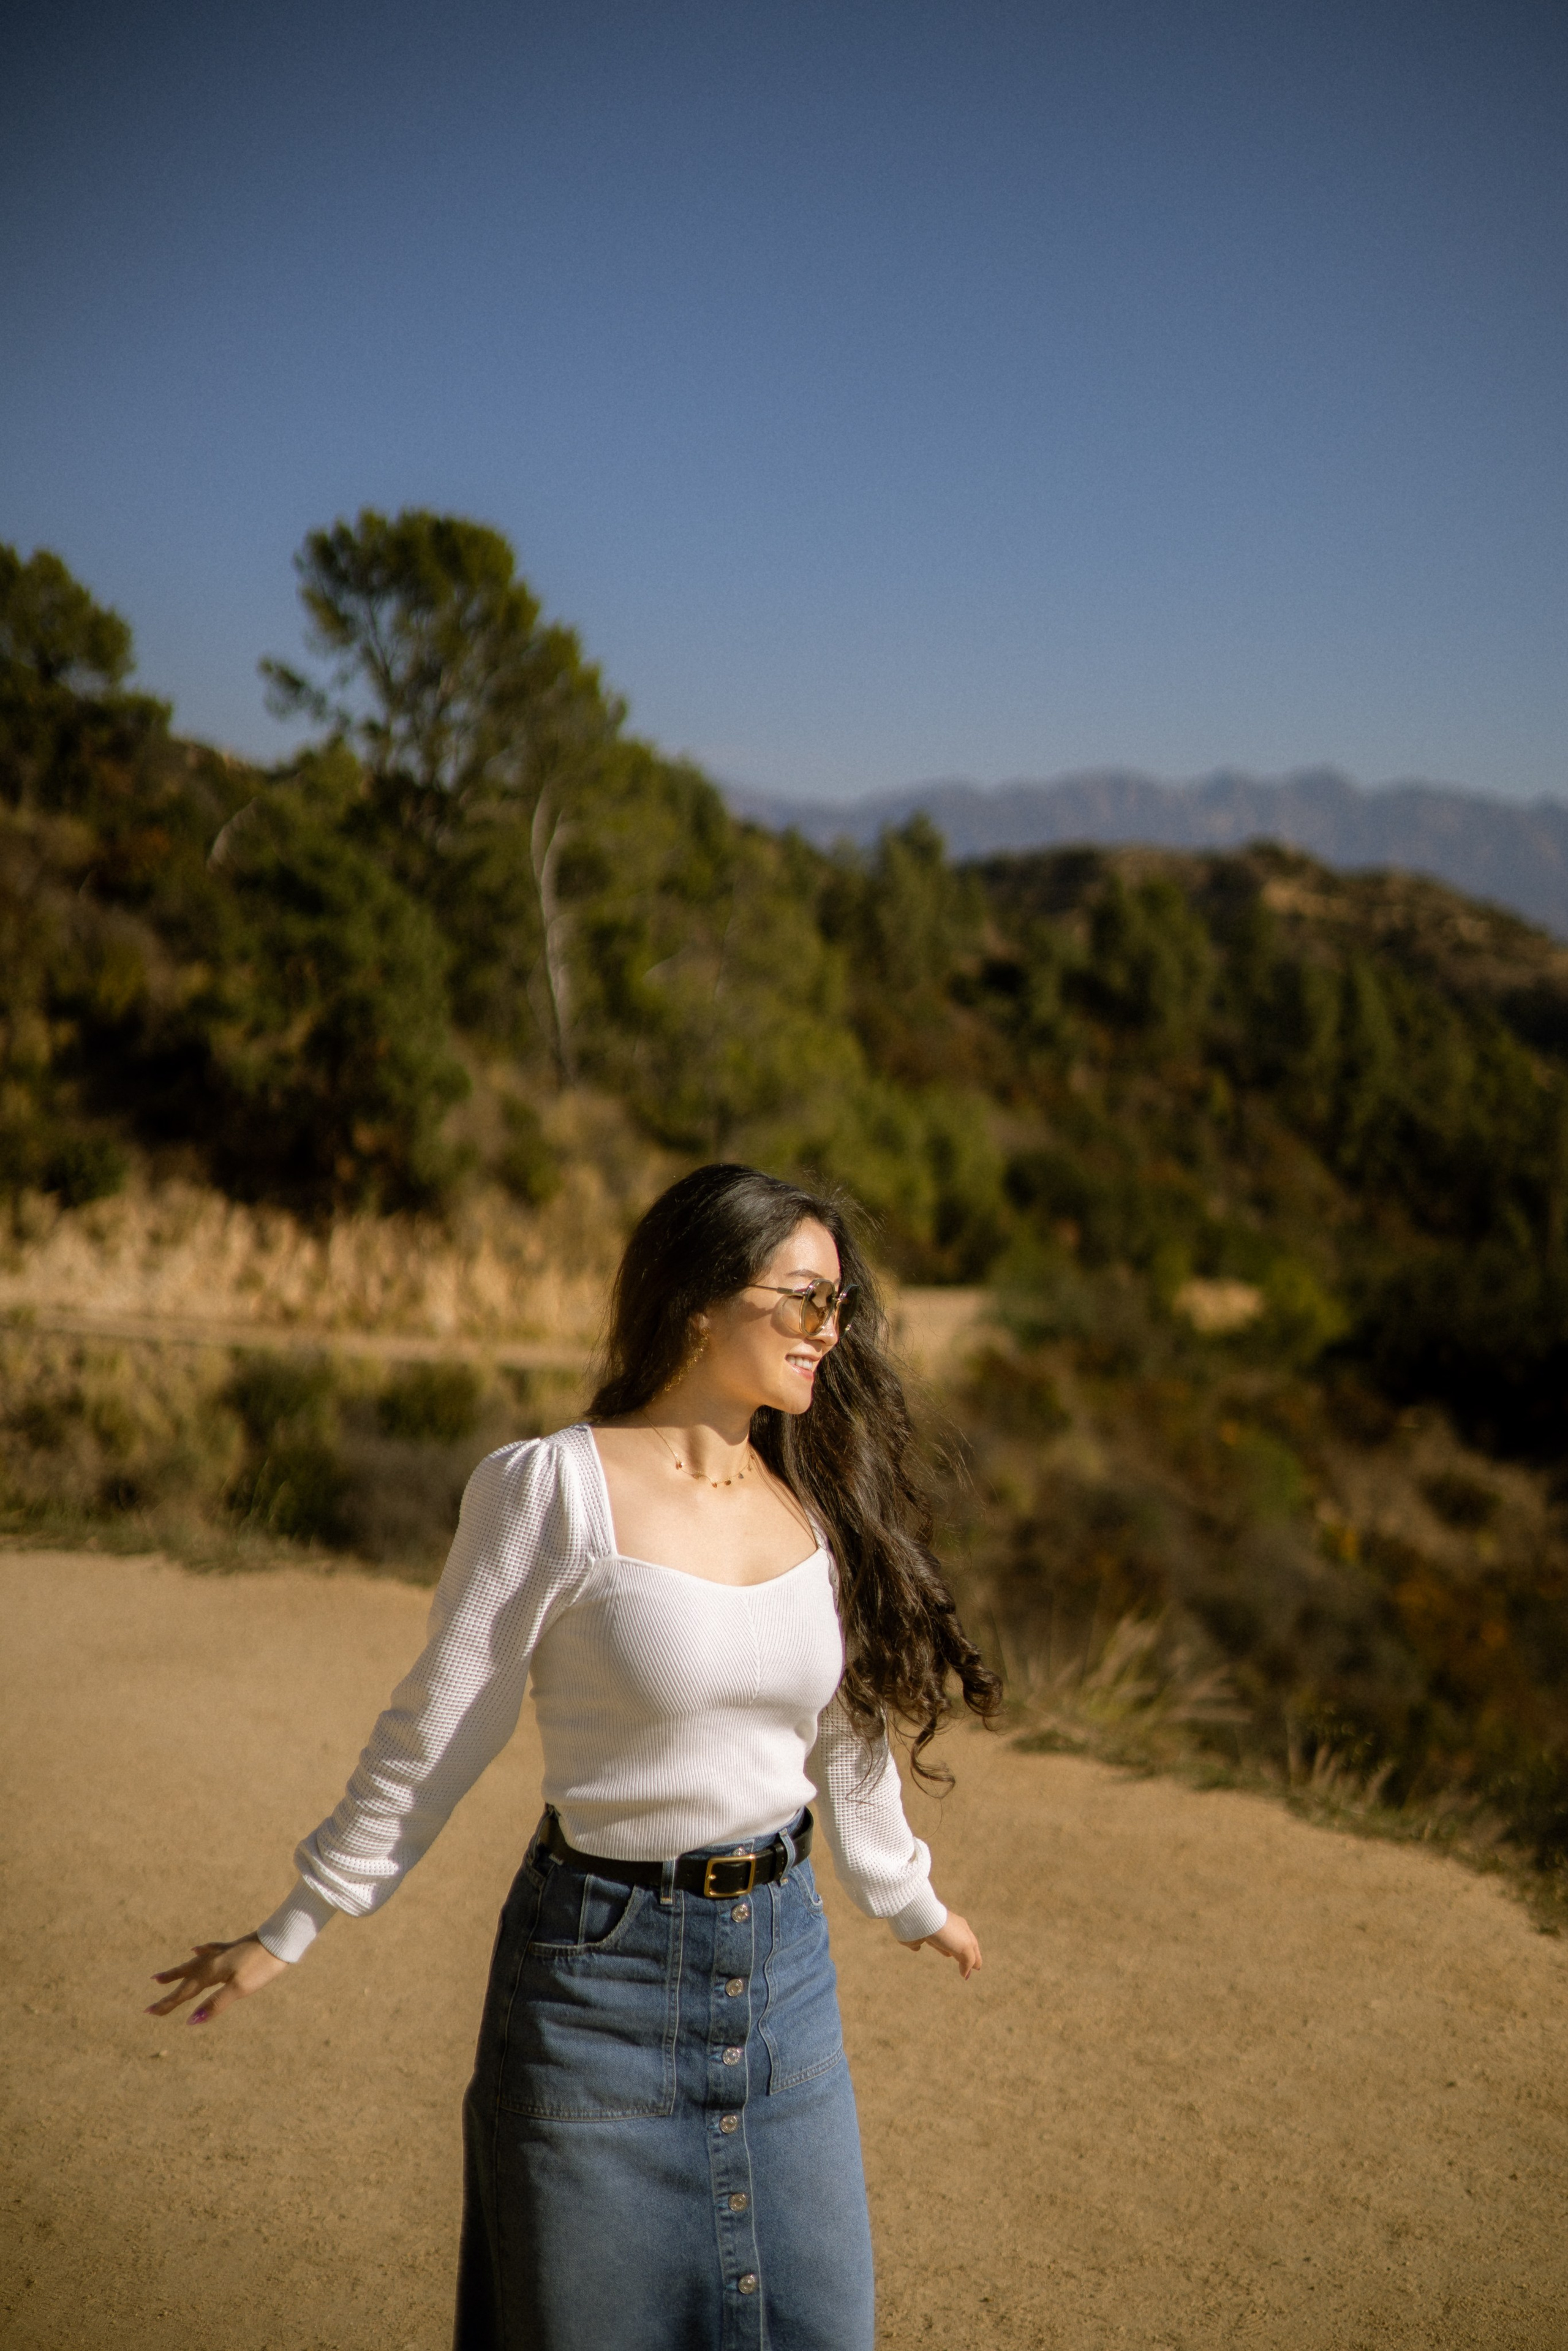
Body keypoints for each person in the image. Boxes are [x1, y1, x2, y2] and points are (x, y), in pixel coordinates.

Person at [149, 1163, 1001, 2349]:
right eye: (805, 1298)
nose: (829, 1330)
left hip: (784, 1976)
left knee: (818, 2325)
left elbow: (845, 1734)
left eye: (839, 1305)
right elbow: (440, 1723)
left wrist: (905, 1893)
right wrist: (298, 1918)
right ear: (702, 1299)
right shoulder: (551, 1487)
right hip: (597, 1979)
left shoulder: (816, 1504)